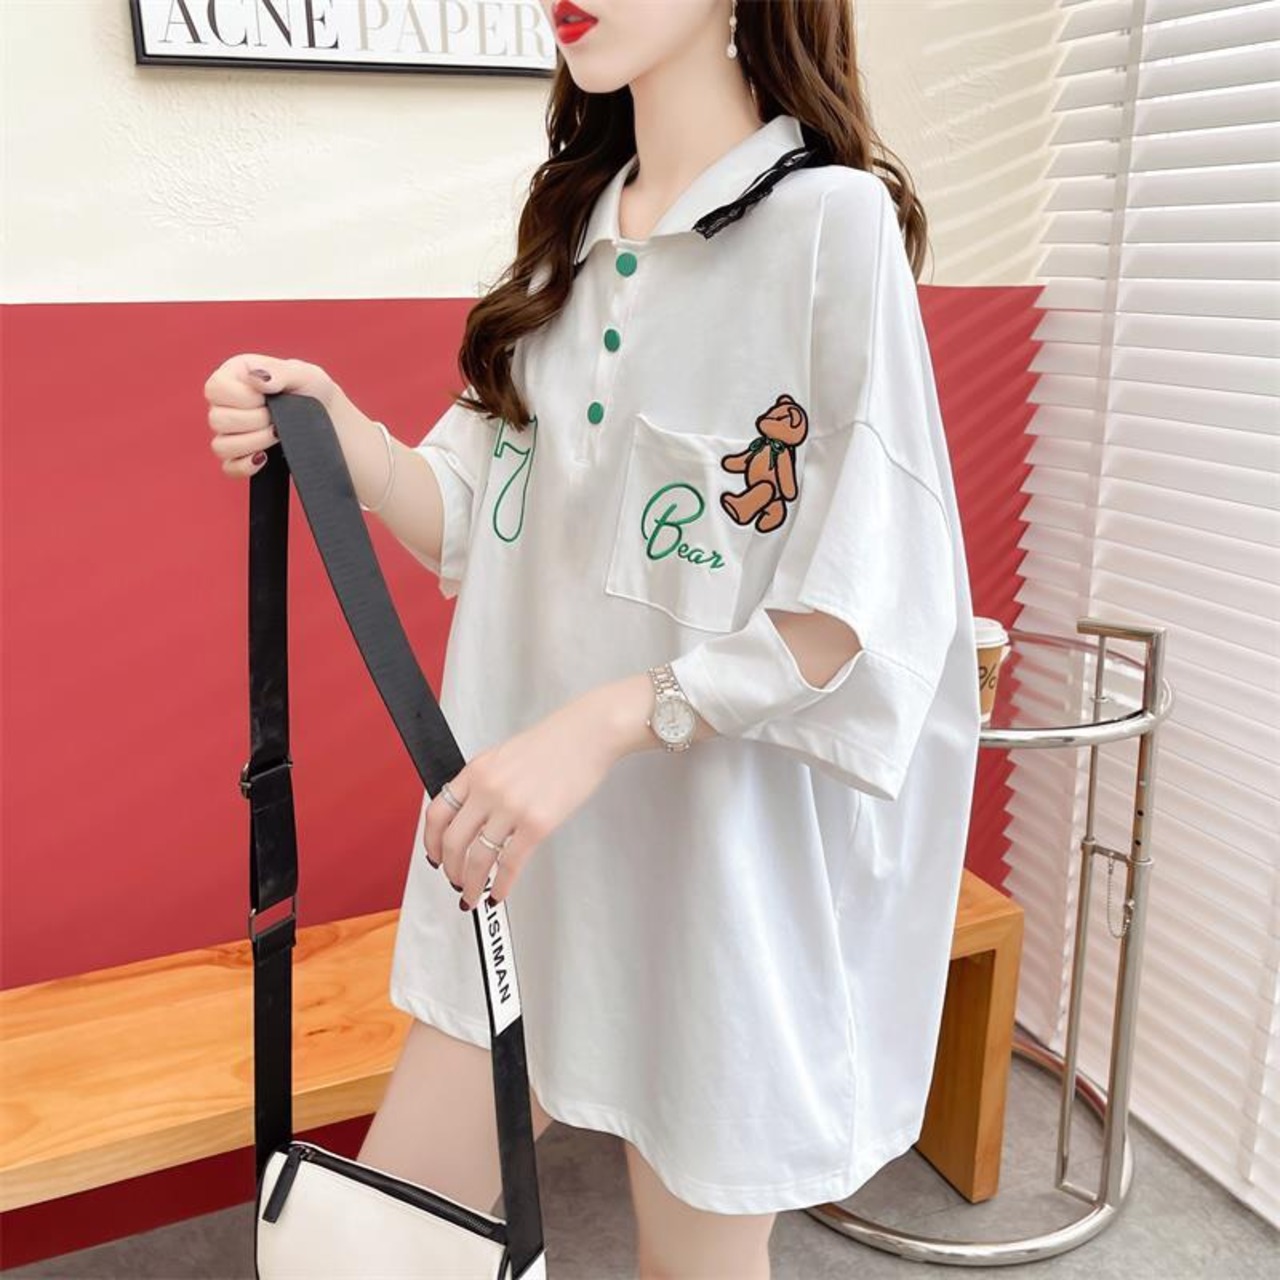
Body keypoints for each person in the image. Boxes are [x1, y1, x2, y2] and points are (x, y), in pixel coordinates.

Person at [204, 2, 982, 1275]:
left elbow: (863, 603)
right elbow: (472, 511)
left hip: (712, 888)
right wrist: (338, 433)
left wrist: (612, 718)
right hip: (517, 869)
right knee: (375, 1251)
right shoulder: (569, 227)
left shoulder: (827, 228)